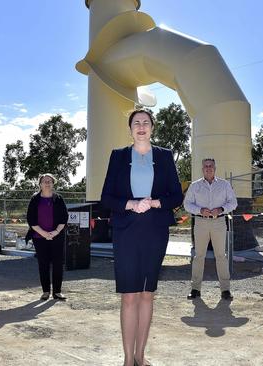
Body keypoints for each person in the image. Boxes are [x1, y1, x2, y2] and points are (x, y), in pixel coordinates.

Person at [101, 109, 183, 366]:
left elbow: (176, 196)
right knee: (129, 295)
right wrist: (130, 204)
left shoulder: (165, 156)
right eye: (136, 122)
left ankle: (140, 355)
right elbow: (106, 197)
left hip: (155, 231)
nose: (141, 126)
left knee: (147, 293)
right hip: (125, 230)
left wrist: (156, 202)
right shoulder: (118, 156)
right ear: (130, 128)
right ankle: (127, 359)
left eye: (146, 122)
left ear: (152, 128)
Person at [183, 158, 237, 301]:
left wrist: (221, 209)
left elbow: (233, 202)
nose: (208, 168)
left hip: (219, 222)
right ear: (202, 169)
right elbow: (187, 204)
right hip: (200, 223)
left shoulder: (225, 185)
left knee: (221, 256)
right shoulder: (195, 186)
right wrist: (199, 210)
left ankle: (225, 290)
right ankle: (195, 289)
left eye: (211, 166)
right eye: (206, 166)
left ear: (215, 168)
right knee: (198, 256)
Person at [26, 173, 69, 301]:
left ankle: (57, 292)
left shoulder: (58, 199)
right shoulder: (35, 199)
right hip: (39, 237)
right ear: (40, 184)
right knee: (43, 264)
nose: (47, 183)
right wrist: (43, 233)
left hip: (57, 236)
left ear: (53, 183)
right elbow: (31, 219)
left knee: (57, 264)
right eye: (44, 181)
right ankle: (45, 291)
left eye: (49, 181)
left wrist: (56, 232)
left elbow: (64, 217)